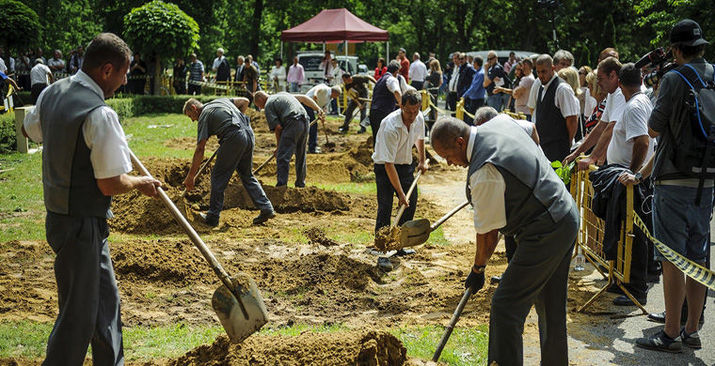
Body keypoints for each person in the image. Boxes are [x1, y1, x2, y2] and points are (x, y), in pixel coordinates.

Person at [22, 32, 162, 365]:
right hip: (81, 224)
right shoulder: (100, 114)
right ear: (107, 70)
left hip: (61, 219)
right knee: (78, 317)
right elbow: (110, 184)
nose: (126, 79)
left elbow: (32, 130)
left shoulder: (52, 93)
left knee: (105, 307)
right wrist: (140, 181)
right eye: (125, 72)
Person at [430, 114, 578, 366]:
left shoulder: (484, 171)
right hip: (565, 214)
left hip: (545, 229)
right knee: (550, 305)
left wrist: (478, 269)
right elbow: (531, 129)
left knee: (505, 306)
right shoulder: (500, 122)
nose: (449, 163)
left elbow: (488, 234)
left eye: (447, 156)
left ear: (459, 142)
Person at [632, 18, 713, 353]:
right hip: (706, 178)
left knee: (672, 258)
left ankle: (669, 332)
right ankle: (692, 329)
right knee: (698, 257)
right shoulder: (713, 73)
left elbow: (652, 129)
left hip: (673, 178)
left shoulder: (674, 78)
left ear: (677, 49)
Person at [182, 97, 275, 227]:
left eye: (191, 116)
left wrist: (191, 176)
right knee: (247, 175)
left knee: (218, 177)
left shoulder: (204, 115)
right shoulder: (220, 101)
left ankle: (213, 217)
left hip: (235, 137)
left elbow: (200, 149)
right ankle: (266, 207)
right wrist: (235, 123)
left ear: (194, 108)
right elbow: (244, 101)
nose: (192, 120)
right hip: (248, 133)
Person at [372, 89, 428, 267]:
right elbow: (389, 165)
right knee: (386, 206)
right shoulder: (390, 126)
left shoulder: (418, 118)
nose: (412, 116)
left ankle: (399, 244)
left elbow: (420, 138)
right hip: (385, 167)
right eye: (408, 111)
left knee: (410, 203)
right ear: (401, 106)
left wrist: (421, 160)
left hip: (405, 166)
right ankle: (381, 250)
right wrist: (400, 193)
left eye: (416, 111)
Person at [564, 57, 625, 168]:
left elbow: (610, 127)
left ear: (612, 75)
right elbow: (601, 126)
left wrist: (592, 157)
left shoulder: (620, 94)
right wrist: (576, 153)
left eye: (600, 78)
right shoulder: (612, 94)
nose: (598, 83)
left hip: (625, 165)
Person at [253, 91, 323, 187]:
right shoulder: (282, 94)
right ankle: (300, 184)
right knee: (301, 155)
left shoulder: (269, 104)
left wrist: (279, 148)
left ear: (260, 99)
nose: (261, 108)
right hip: (305, 120)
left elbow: (278, 128)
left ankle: (281, 186)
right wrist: (318, 109)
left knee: (282, 156)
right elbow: (304, 98)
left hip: (293, 121)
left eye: (259, 106)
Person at [532, 54, 579, 162]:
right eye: (538, 72)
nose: (540, 75)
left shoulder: (562, 89)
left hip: (558, 149)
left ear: (553, 68)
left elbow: (572, 119)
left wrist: (568, 142)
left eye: (544, 71)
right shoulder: (541, 87)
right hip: (544, 147)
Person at [527, 49, 575, 123]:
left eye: (568, 65)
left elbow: (572, 119)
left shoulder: (567, 85)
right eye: (562, 64)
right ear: (554, 66)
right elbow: (531, 106)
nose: (565, 67)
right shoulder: (539, 81)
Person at [369, 60, 402, 144]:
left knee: (377, 140)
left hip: (373, 112)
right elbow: (397, 92)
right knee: (385, 140)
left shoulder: (380, 80)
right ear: (396, 71)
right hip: (383, 113)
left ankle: (376, 156)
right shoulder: (392, 79)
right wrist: (402, 105)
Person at [305, 83, 341, 153]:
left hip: (311, 107)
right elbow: (317, 89)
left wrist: (323, 116)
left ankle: (312, 146)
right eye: (337, 96)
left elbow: (324, 108)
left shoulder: (330, 98)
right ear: (334, 92)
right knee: (313, 126)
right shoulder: (325, 89)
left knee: (312, 126)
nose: (336, 98)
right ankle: (312, 148)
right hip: (306, 103)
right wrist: (315, 94)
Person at [462, 56, 486, 125]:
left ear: (476, 63)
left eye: (473, 63)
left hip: (477, 100)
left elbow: (474, 88)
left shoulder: (480, 74)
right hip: (474, 99)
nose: (472, 64)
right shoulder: (478, 72)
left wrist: (464, 95)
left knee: (472, 120)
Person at [425, 59, 443, 125]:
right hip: (434, 90)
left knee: (433, 106)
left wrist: (429, 78)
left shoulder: (436, 73)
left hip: (433, 91)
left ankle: (434, 120)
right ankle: (434, 119)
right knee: (434, 106)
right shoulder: (438, 73)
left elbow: (428, 78)